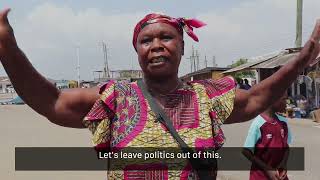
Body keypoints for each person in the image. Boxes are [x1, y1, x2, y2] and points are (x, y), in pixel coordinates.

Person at [0, 8, 320, 179]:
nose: (156, 45)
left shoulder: (207, 96)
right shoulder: (115, 97)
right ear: (137, 51)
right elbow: (51, 102)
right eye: (146, 40)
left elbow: (257, 98)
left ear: (182, 46)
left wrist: (303, 58)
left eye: (166, 37)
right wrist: (8, 48)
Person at [242, 94, 292, 180]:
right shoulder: (258, 123)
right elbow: (246, 151)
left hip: (279, 175)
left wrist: (283, 164)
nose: (286, 104)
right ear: (273, 100)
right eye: (284, 100)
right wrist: (267, 169)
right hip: (260, 176)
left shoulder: (283, 122)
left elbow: (286, 147)